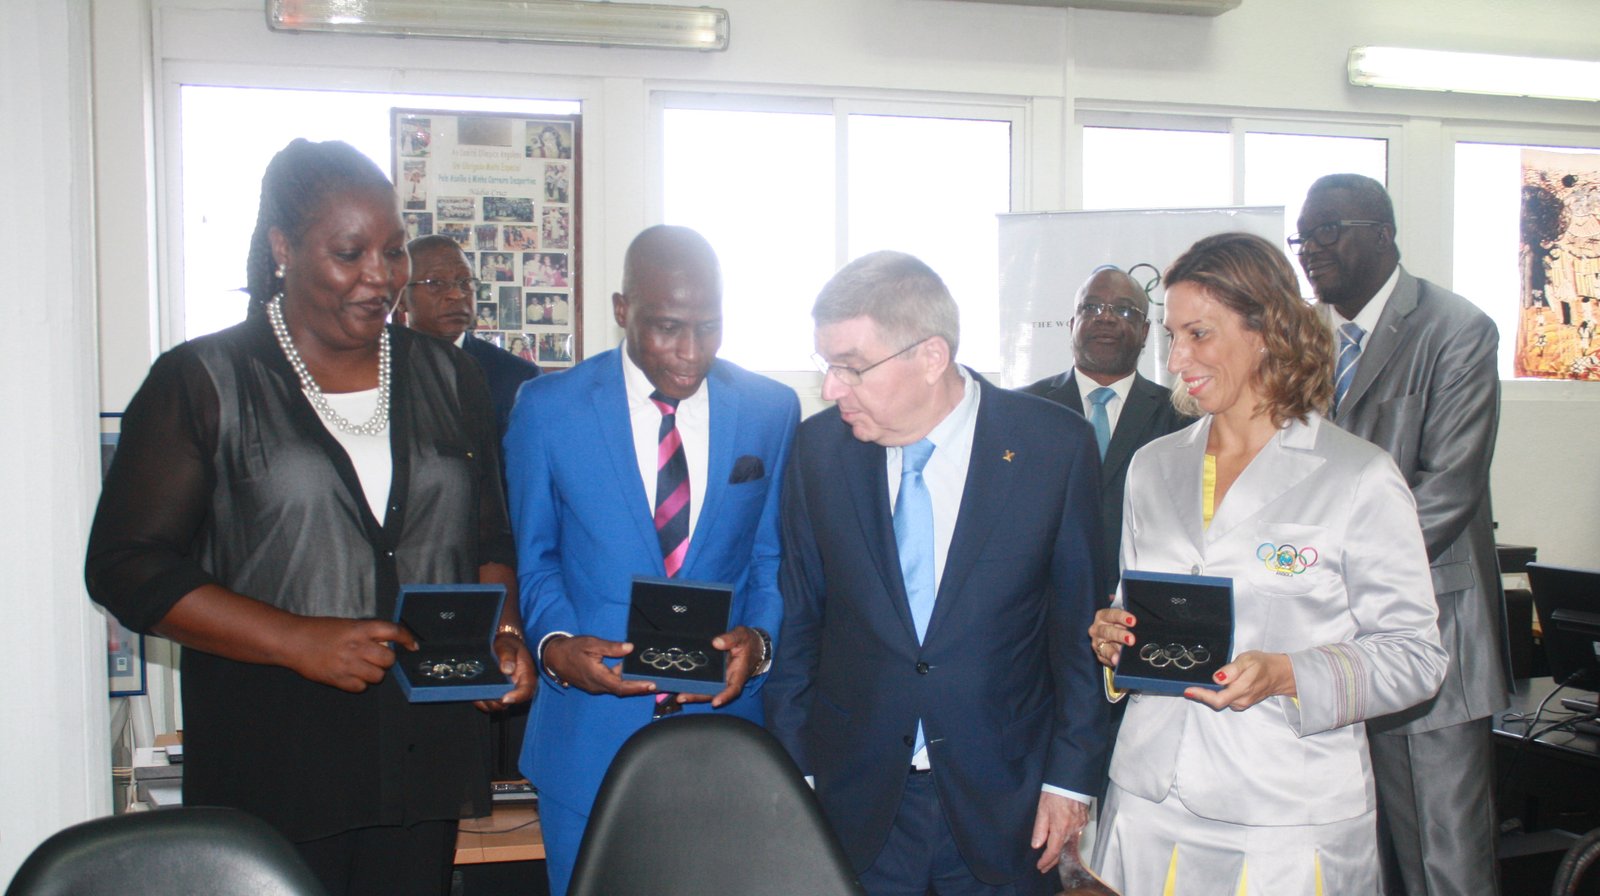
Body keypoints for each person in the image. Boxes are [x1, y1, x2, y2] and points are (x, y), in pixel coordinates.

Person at [84, 138, 535, 896]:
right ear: (283, 248)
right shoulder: (203, 380)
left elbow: (486, 534)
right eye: (349, 253)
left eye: (391, 253)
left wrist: (504, 634)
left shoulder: (446, 373)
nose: (379, 278)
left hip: (424, 754)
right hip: (278, 757)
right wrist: (297, 639)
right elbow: (127, 566)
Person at [1086, 232, 1448, 895]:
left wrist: (1289, 673)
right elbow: (1136, 604)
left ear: (1266, 331)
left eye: (1200, 334)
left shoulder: (1357, 476)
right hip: (1147, 800)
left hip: (1283, 815)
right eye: (1173, 336)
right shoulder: (1154, 466)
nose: (1178, 359)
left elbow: (1417, 658)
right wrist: (1116, 640)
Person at [765, 250, 1108, 896]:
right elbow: (800, 625)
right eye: (826, 366)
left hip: (1006, 808)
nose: (832, 388)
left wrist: (1070, 779)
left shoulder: (1053, 450)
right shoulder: (819, 453)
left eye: (851, 367)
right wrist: (796, 776)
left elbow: (1079, 636)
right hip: (858, 808)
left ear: (930, 357)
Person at [503, 224, 799, 896]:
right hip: (587, 739)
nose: (689, 352)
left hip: (726, 736)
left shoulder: (770, 411)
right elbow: (535, 556)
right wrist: (554, 646)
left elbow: (770, 557)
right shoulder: (547, 411)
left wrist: (761, 638)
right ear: (621, 310)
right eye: (667, 327)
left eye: (708, 326)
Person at [1294, 173, 1511, 896]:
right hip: (1331, 653)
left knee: (1443, 871)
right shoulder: (1307, 345)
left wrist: (1321, 575)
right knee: (1359, 866)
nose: (1311, 250)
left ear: (1383, 233)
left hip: (1432, 649)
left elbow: (1448, 489)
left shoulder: (1457, 329)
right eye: (1303, 237)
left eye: (1328, 231)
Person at [1024, 265, 1193, 593]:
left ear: (1145, 332)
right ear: (1072, 325)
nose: (1105, 317)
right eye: (1091, 307)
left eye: (1124, 310)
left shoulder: (1182, 417)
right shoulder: (1024, 411)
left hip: (1138, 610)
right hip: (1040, 612)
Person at [401, 235, 539, 437]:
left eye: (465, 281)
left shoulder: (516, 379)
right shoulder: (374, 371)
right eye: (436, 283)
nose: (457, 294)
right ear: (400, 296)